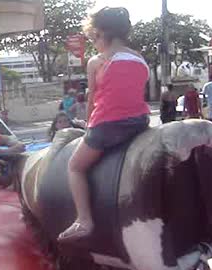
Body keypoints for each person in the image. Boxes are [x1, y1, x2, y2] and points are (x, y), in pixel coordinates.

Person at [57, 7, 150, 242]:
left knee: (75, 166)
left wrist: (89, 125)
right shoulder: (139, 58)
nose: (93, 44)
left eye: (93, 38)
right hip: (140, 121)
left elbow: (93, 99)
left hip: (109, 125)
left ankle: (84, 220)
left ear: (100, 33)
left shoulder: (97, 61)